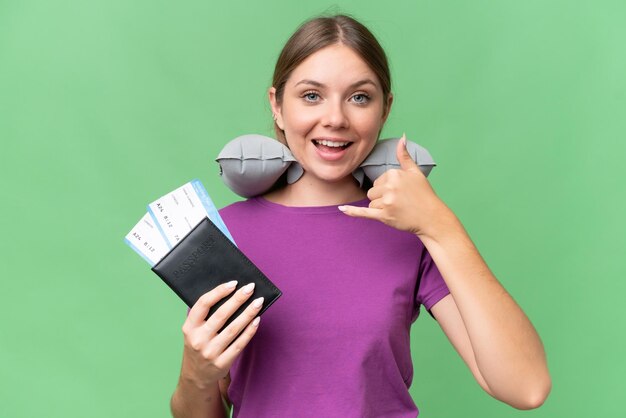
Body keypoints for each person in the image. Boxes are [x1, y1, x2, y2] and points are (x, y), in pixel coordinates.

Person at [170, 14, 551, 418]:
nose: (335, 118)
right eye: (311, 95)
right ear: (277, 106)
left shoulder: (411, 231)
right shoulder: (226, 233)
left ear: (384, 110)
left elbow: (525, 387)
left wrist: (441, 224)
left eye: (359, 97)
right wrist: (196, 373)